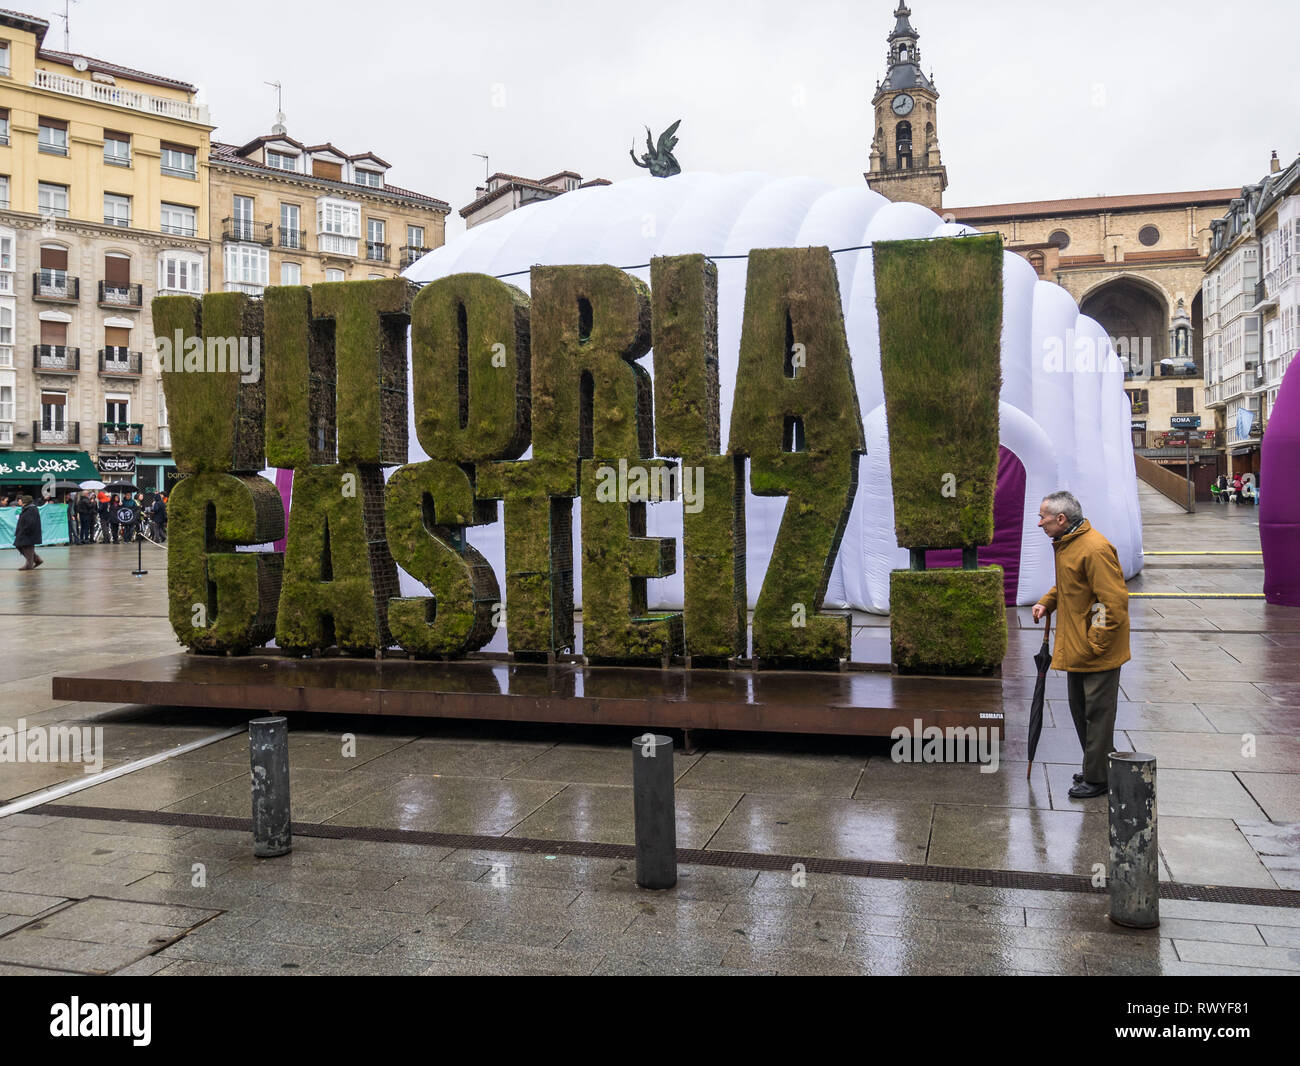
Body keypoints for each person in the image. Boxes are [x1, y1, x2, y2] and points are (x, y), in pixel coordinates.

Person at [1031, 490, 1131, 799]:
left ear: (1061, 519)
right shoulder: (1069, 544)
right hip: (1080, 647)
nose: (1039, 523)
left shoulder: (1094, 549)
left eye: (1042, 517)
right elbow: (1069, 585)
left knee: (1097, 715)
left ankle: (1099, 778)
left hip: (1095, 651)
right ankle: (1098, 764)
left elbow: (1110, 602)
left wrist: (1095, 641)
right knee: (1081, 711)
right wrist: (1048, 602)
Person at [12, 495, 44, 570]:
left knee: (28, 547)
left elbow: (30, 522)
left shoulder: (31, 509)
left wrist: (24, 531)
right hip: (24, 531)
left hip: (28, 532)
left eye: (21, 500)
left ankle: (29, 564)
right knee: (20, 545)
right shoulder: (27, 508)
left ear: (25, 501)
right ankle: (36, 560)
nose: (19, 501)